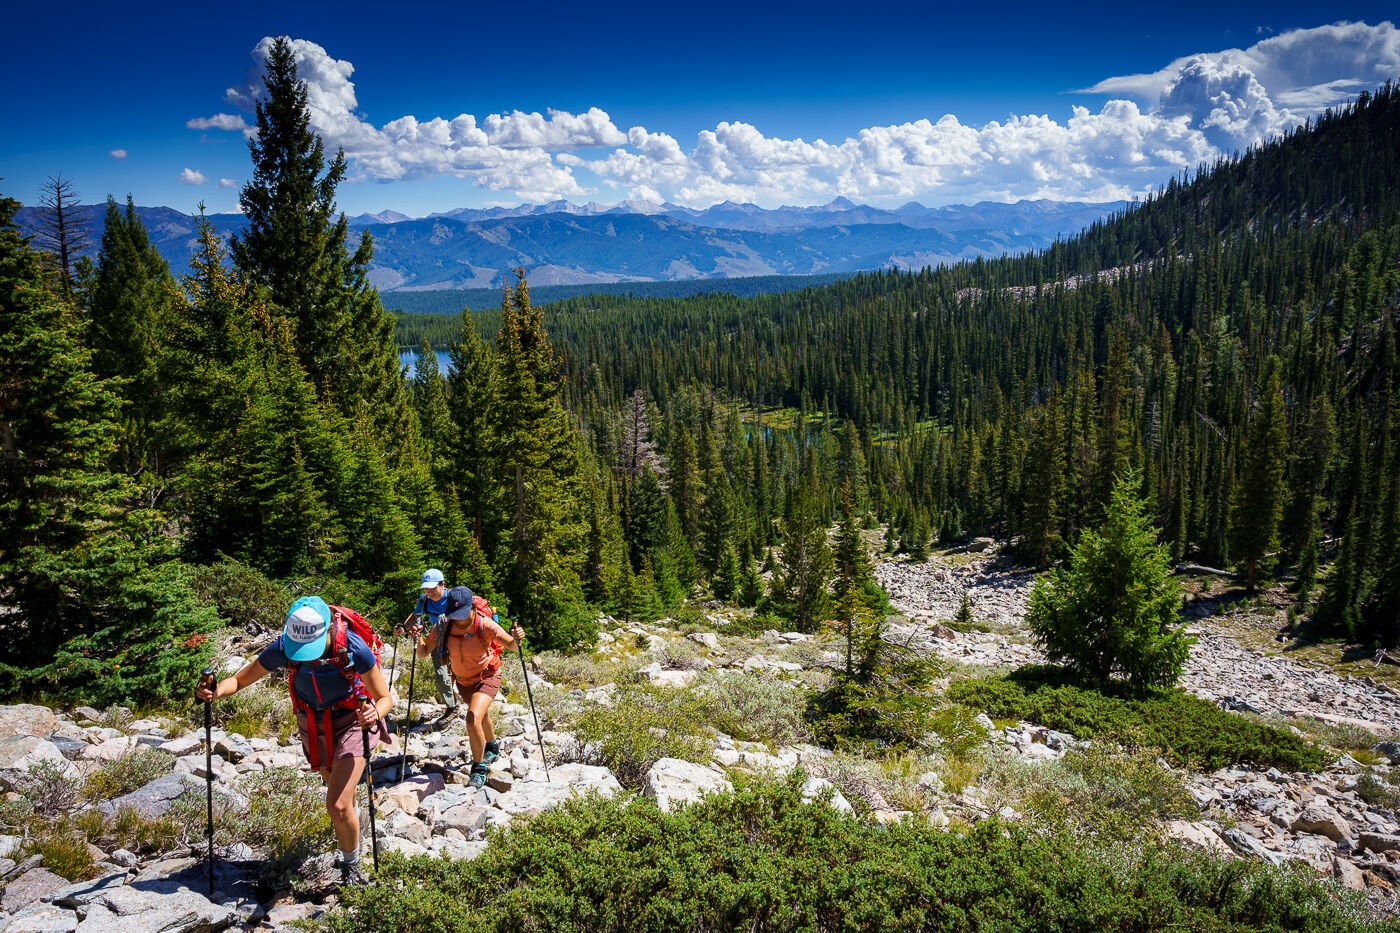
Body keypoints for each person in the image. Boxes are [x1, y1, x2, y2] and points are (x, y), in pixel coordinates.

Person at [196, 596, 391, 885]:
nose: (305, 656)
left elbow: (385, 698)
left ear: (327, 632)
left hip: (354, 721)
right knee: (333, 785)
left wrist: (374, 713)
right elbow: (239, 681)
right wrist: (216, 692)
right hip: (313, 722)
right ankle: (351, 817)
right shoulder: (285, 647)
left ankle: (351, 865)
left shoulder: (352, 647)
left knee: (336, 804)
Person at [415, 585, 524, 788]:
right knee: (481, 715)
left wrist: (517, 636)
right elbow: (422, 653)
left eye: (462, 614)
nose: (458, 618)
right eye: (454, 614)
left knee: (472, 717)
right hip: (463, 682)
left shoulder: (485, 625)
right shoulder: (443, 625)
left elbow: (512, 646)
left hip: (487, 676)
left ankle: (479, 766)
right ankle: (492, 745)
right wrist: (417, 636)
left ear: (471, 607)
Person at [398, 569, 459, 727]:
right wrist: (404, 628)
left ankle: (475, 704)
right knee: (441, 674)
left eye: (433, 588)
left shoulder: (453, 597)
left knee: (463, 672)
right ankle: (452, 707)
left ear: (442, 584)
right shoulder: (424, 600)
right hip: (438, 640)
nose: (429, 592)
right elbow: (415, 615)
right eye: (426, 588)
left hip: (459, 640)